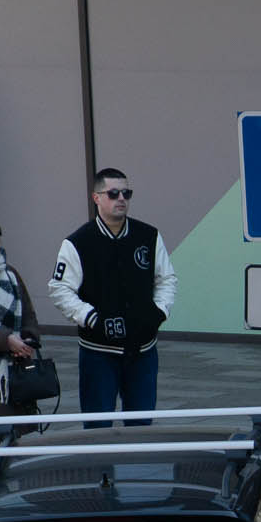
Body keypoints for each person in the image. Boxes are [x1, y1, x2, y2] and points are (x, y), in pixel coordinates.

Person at [49, 168, 175, 426]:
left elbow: (167, 279)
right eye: (113, 193)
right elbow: (59, 289)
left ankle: (138, 467)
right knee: (98, 426)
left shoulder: (148, 236)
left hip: (143, 350)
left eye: (126, 193)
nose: (121, 199)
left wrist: (159, 311)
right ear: (96, 198)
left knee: (141, 424)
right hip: (99, 353)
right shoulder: (78, 242)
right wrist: (89, 317)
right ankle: (102, 468)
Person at [0, 218, 44, 429]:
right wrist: (6, 340)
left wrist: (27, 339)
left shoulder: (10, 274)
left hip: (14, 369)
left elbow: (28, 314)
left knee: (16, 433)